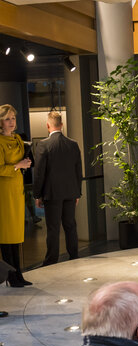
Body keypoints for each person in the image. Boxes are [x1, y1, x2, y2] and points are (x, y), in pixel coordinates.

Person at [33, 110, 83, 266]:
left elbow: (40, 173)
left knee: (53, 228)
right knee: (70, 225)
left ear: (48, 126)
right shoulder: (73, 144)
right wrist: (77, 193)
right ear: (62, 125)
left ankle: (51, 260)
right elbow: (78, 171)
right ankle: (74, 256)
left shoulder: (43, 145)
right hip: (70, 192)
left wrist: (37, 195)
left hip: (52, 194)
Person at [0, 104, 33, 287]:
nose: (11, 122)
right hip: (4, 192)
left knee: (16, 235)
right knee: (6, 235)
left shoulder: (18, 139)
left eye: (13, 118)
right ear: (0, 122)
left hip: (17, 189)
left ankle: (18, 274)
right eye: (7, 119)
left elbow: (22, 161)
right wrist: (17, 166)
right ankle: (11, 276)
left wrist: (25, 163)